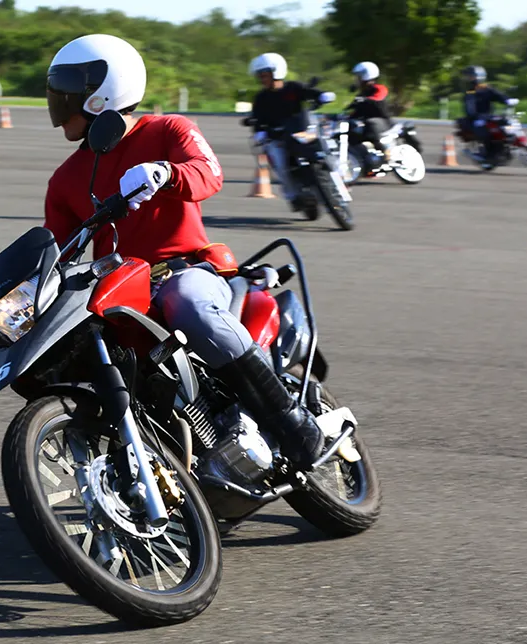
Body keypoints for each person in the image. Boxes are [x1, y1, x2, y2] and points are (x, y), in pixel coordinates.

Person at [38, 34, 325, 470]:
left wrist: (165, 172)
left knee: (186, 302)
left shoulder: (167, 129)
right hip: (122, 292)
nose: (58, 102)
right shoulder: (66, 178)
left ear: (102, 91)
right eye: (55, 89)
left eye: (67, 89)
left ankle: (290, 420)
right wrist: (15, 303)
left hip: (185, 272)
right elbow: (55, 251)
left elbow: (208, 174)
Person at [243, 52, 336, 214]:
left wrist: (322, 95)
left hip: (302, 131)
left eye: (264, 75)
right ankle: (293, 195)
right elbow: (257, 119)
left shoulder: (293, 88)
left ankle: (339, 174)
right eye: (260, 76)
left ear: (276, 72)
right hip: (278, 137)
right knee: (279, 162)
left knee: (326, 145)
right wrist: (259, 132)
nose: (262, 79)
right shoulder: (261, 98)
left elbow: (308, 92)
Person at [457, 65, 519, 158]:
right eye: (469, 76)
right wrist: (475, 116)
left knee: (503, 124)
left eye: (471, 76)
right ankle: (488, 153)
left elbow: (498, 95)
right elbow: (470, 107)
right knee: (485, 131)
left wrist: (507, 100)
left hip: (488, 116)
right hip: (477, 118)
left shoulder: (486, 88)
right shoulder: (470, 92)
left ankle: (504, 146)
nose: (469, 78)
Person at [347, 61, 392, 157]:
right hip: (366, 121)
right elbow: (353, 109)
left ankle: (386, 152)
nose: (356, 79)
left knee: (371, 123)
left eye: (358, 76)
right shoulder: (361, 94)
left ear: (366, 75)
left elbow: (379, 97)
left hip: (382, 121)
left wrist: (366, 99)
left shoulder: (379, 88)